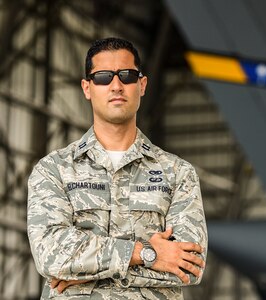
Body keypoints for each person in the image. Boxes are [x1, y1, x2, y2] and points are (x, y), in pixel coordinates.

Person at [27, 37, 207, 300]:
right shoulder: (53, 170)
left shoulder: (178, 173)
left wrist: (84, 271)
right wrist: (146, 254)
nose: (116, 85)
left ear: (142, 85)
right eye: (102, 77)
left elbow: (189, 267)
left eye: (127, 75)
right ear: (87, 88)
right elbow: (50, 256)